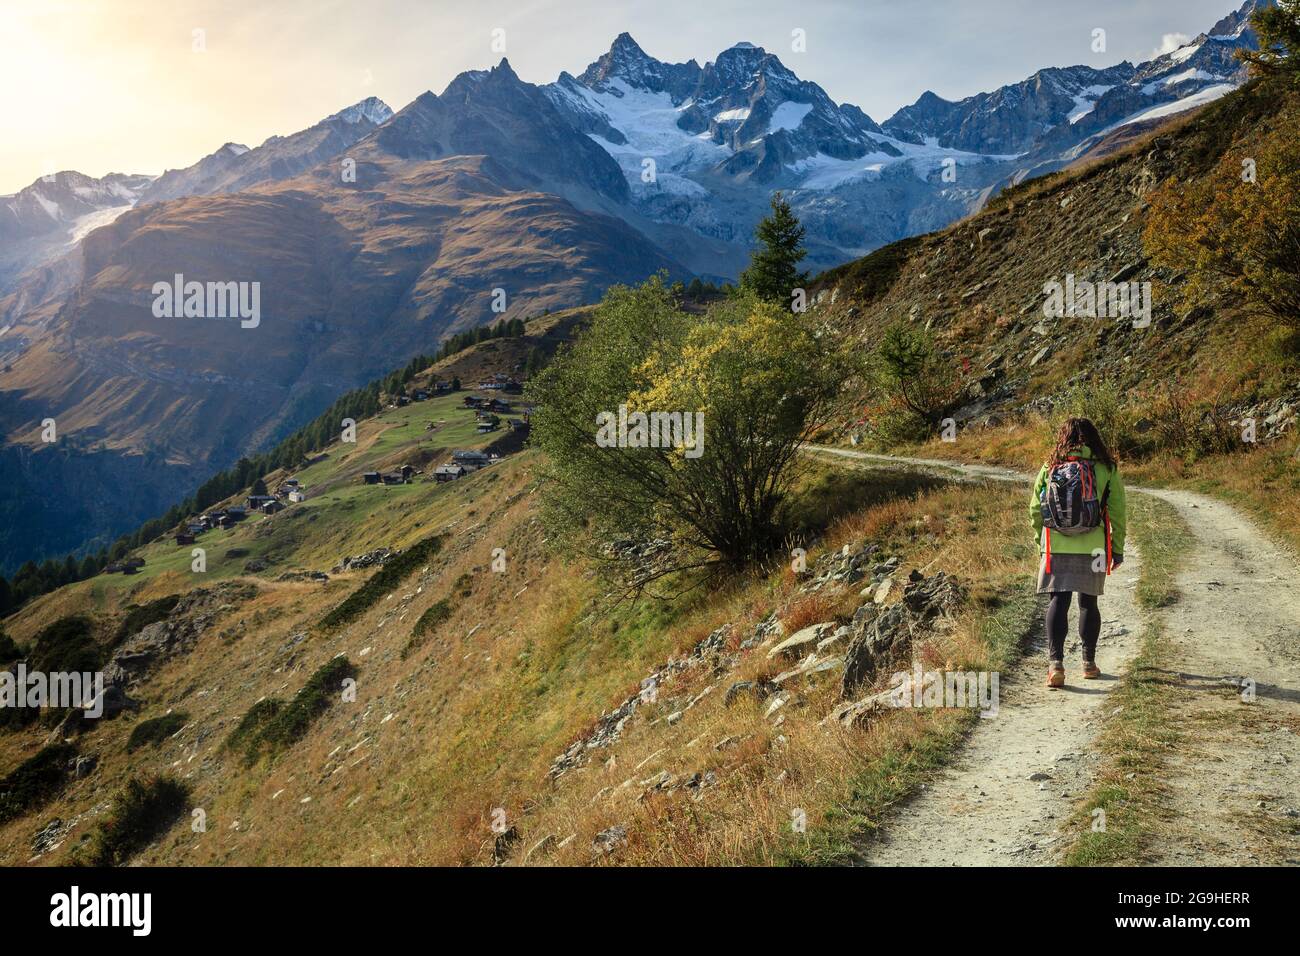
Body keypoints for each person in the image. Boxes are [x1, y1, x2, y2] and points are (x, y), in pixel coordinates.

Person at [1030, 417, 1127, 688]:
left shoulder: (1050, 466)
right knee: (1088, 603)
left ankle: (1056, 666)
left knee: (1058, 602)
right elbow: (1118, 512)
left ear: (1064, 437)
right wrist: (1116, 549)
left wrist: (1042, 542)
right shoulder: (1107, 468)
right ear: (1094, 438)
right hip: (1094, 548)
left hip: (1056, 547)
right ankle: (1089, 664)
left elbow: (1035, 509)